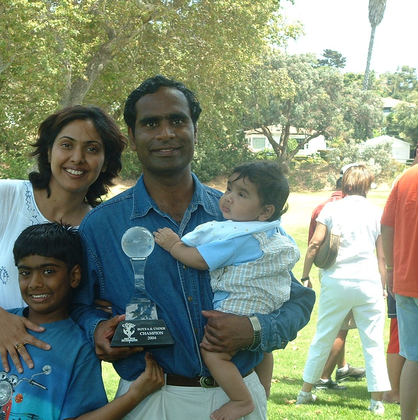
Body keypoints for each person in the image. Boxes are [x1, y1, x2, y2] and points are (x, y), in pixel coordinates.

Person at [70, 75, 316, 420]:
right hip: (151, 397)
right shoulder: (103, 225)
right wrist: (98, 329)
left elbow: (298, 300)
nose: (166, 133)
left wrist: (255, 330)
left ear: (195, 130)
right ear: (132, 136)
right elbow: (79, 305)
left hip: (237, 398)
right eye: (151, 123)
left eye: (177, 120)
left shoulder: (242, 216)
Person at [0, 106, 127, 419]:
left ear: (106, 162)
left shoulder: (101, 232)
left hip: (53, 394)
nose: (77, 158)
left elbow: (99, 308)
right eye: (67, 145)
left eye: (92, 149)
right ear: (48, 150)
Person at [0, 223, 164, 420]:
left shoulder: (80, 346)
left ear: (74, 276)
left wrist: (134, 395)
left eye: (48, 271)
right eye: (25, 273)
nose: (35, 283)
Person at [153, 161, 299, 420]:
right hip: (266, 303)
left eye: (241, 194)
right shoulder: (271, 232)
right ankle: (261, 390)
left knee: (214, 352)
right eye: (229, 188)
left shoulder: (236, 238)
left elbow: (200, 259)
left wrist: (174, 245)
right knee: (262, 350)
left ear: (265, 211)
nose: (228, 198)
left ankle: (242, 399)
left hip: (239, 303)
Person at [296, 164, 390, 416]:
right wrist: (383, 286)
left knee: (323, 335)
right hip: (368, 280)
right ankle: (377, 402)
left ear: (346, 184)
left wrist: (305, 274)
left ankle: (305, 392)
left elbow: (315, 244)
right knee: (373, 342)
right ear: (367, 185)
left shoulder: (332, 208)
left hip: (336, 281)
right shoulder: (376, 212)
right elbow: (382, 257)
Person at [303, 171, 365, 391]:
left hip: (327, 270)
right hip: (346, 273)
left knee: (338, 324)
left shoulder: (323, 205)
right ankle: (323, 376)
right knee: (340, 327)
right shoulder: (343, 208)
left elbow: (313, 242)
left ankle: (342, 367)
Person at [381, 161, 418, 420]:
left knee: (413, 357)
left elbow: (387, 226)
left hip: (405, 279)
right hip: (404, 279)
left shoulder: (405, 177)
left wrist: (391, 268)